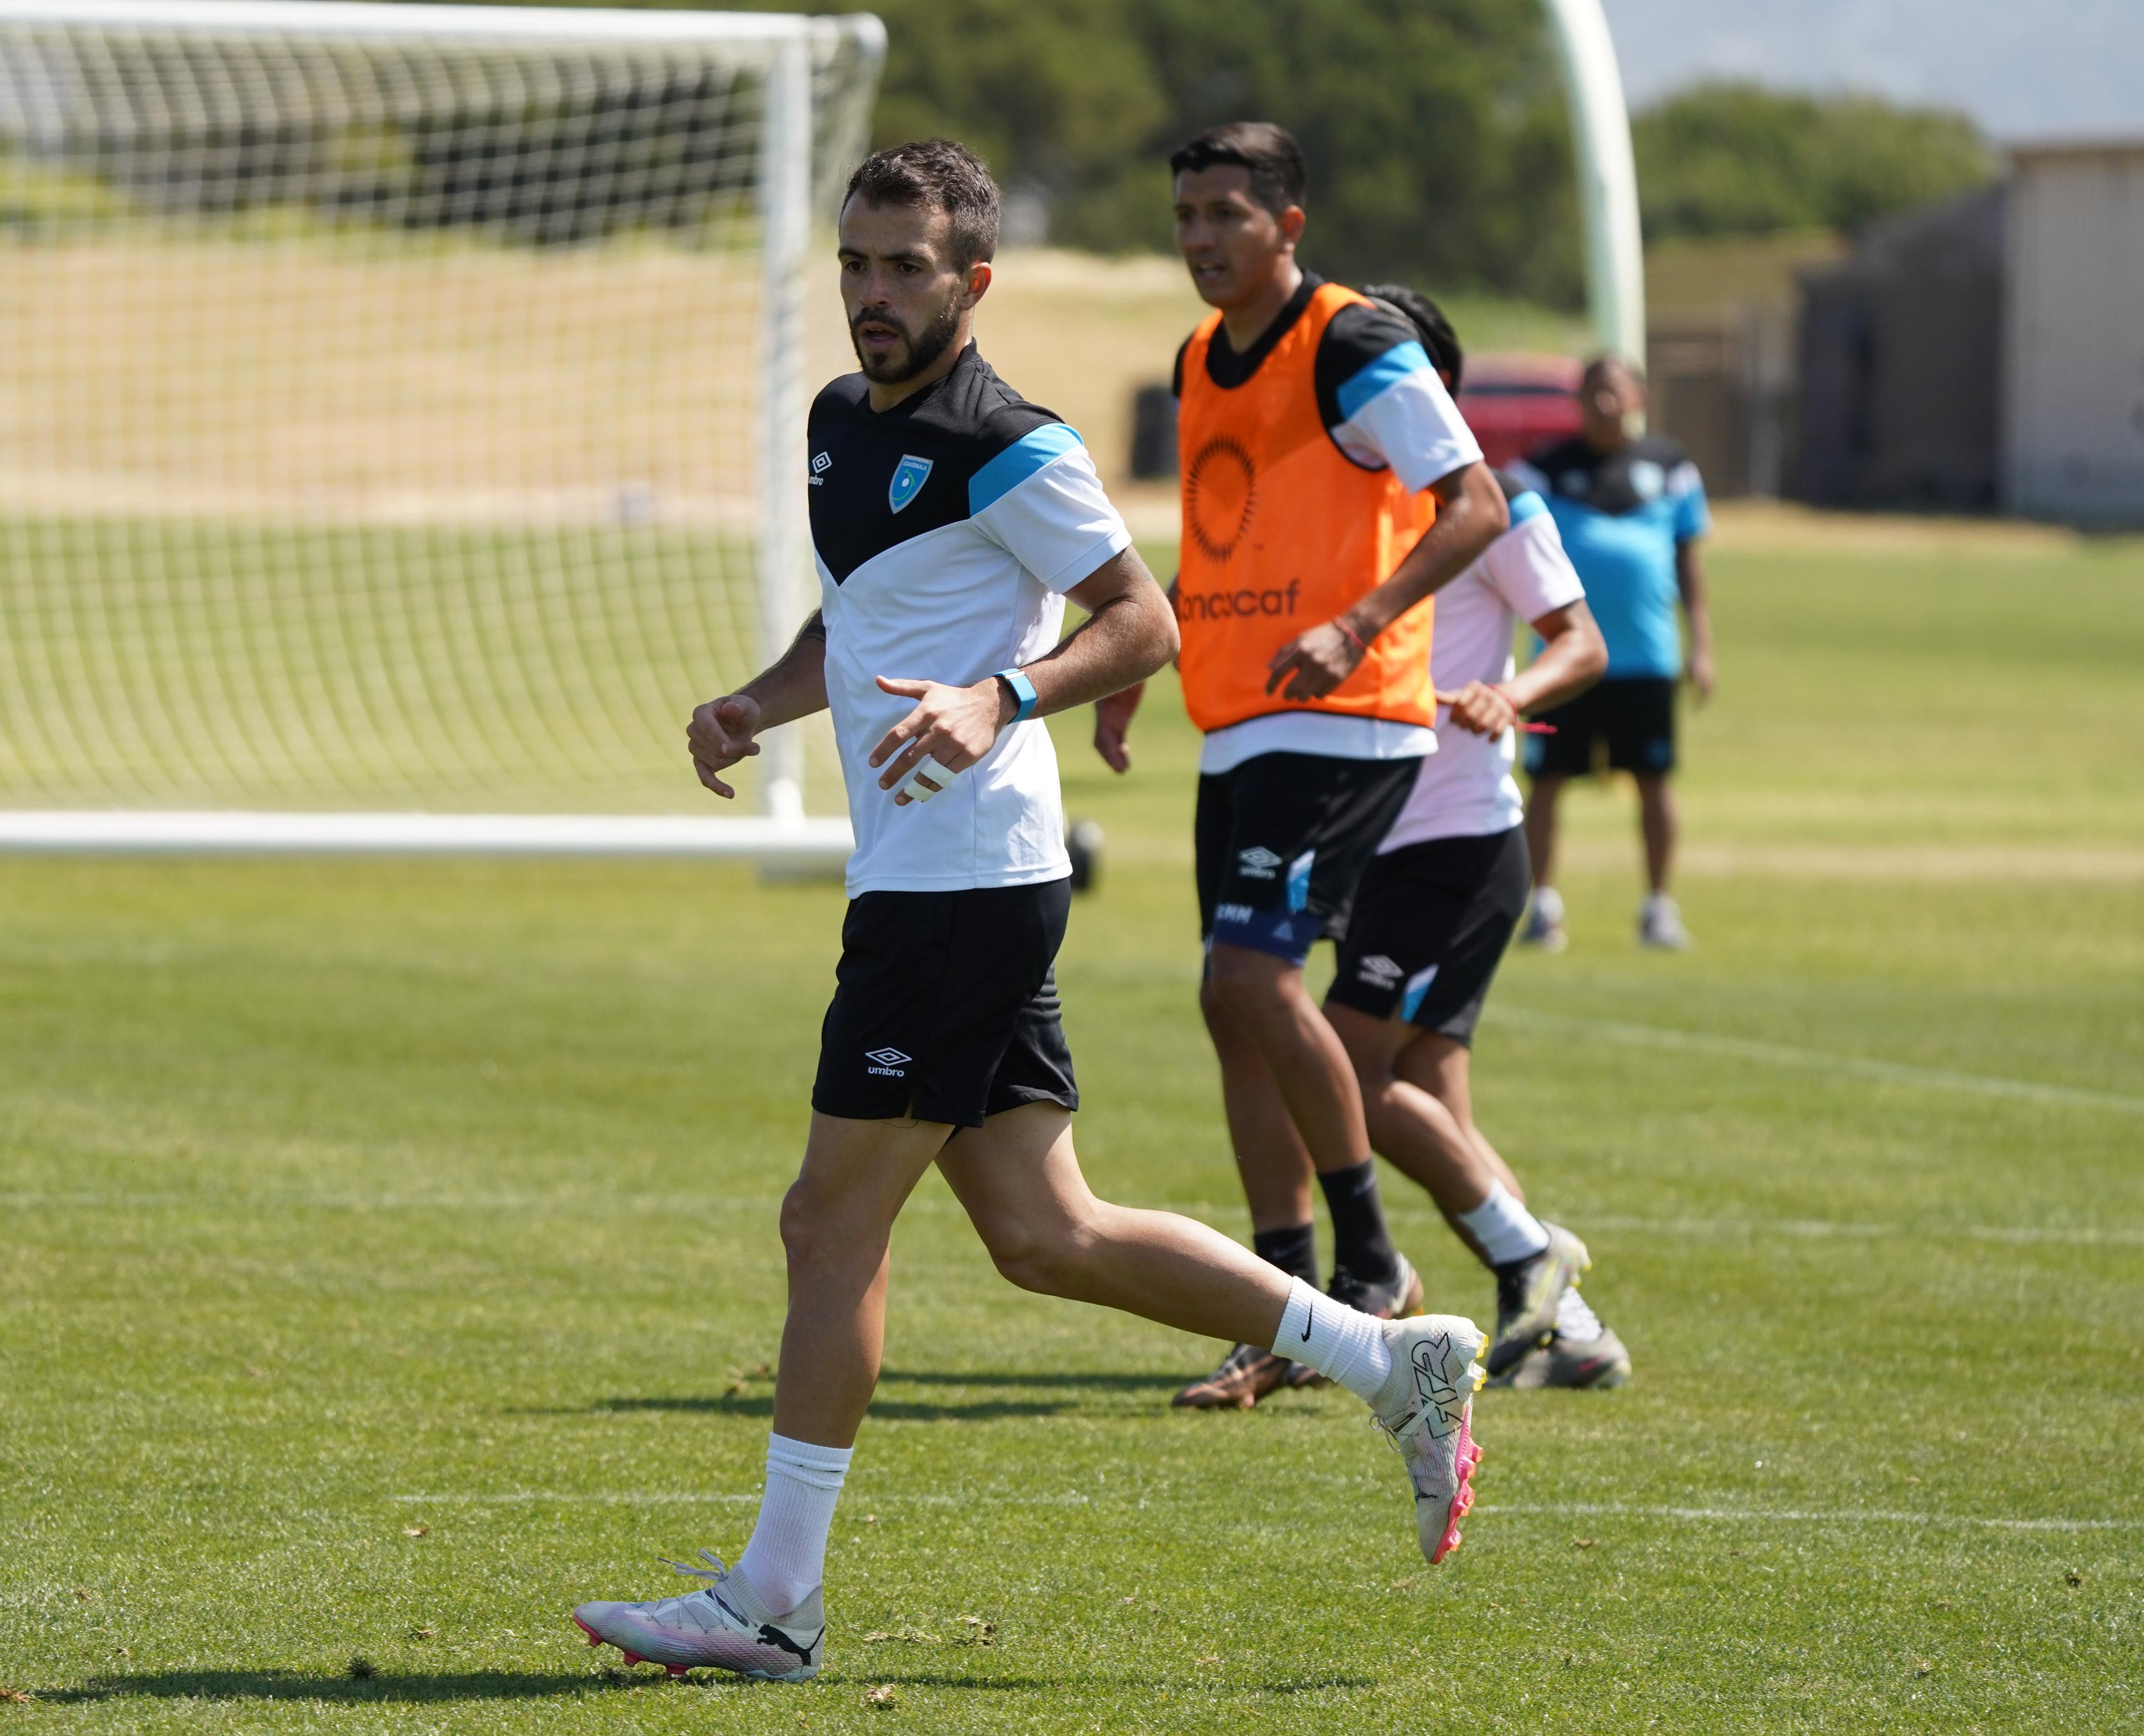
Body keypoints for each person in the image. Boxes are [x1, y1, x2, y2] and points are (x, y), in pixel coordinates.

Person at [568, 140, 1489, 1685]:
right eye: (855, 263)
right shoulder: (834, 429)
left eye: (904, 268)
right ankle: (1386, 1355)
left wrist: (1005, 694)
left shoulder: (1014, 442)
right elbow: (859, 616)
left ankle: (773, 1600)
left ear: (972, 282)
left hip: (960, 886)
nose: (871, 294)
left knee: (826, 1221)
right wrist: (759, 702)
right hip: (935, 884)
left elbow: (1139, 618)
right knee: (1045, 1233)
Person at [1087, 124, 1511, 1409]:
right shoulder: (1198, 360)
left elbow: (1475, 503)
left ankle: (1370, 1269)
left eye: (1226, 211)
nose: (1201, 236)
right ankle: (1291, 1301)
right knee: (1229, 1002)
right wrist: (1136, 660)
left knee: (1253, 976)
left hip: (1351, 713)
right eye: (1185, 214)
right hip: (1243, 716)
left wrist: (1357, 621)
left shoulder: (1355, 342)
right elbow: (1223, 542)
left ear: (1289, 222)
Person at [1319, 285, 1629, 1388]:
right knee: (1432, 1087)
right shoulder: (1351, 508)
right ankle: (1573, 1325)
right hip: (1373, 838)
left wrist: (1515, 693)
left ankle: (1509, 1257)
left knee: (1346, 1067)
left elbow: (1580, 643)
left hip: (1457, 839)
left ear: (1430, 393)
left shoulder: (1502, 508)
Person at [1510, 357, 1715, 952]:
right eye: (1594, 393)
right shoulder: (1543, 469)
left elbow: (1690, 564)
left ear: (1638, 398)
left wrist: (1701, 645)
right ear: (1579, 400)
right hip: (1564, 659)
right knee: (1545, 781)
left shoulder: (1669, 466)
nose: (1605, 405)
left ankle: (1658, 907)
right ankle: (1542, 907)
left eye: (1615, 393)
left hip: (1646, 657)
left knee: (1654, 780)